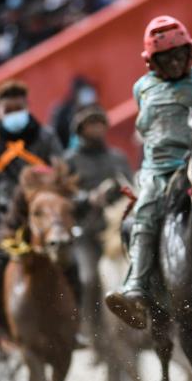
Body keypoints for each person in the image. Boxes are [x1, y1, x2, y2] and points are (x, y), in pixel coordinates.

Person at [104, 16, 192, 329]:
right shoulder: (142, 88)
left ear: (190, 53)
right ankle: (137, 287)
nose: (174, 62)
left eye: (179, 55)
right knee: (140, 217)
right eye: (165, 58)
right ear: (151, 62)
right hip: (156, 173)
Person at [0, 79, 68, 357]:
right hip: (6, 220)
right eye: (8, 110)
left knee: (74, 265)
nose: (13, 115)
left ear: (27, 107)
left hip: (44, 219)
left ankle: (76, 327)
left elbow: (62, 175)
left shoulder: (46, 138)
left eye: (18, 108)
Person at [64, 105, 132, 338]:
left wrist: (115, 190)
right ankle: (90, 330)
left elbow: (129, 187)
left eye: (100, 123)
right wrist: (88, 198)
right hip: (86, 233)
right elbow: (64, 196)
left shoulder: (117, 157)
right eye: (91, 124)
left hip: (116, 231)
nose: (96, 128)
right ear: (81, 129)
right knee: (89, 278)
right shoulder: (70, 160)